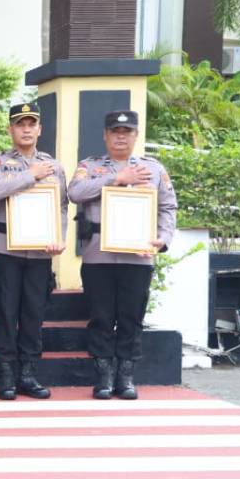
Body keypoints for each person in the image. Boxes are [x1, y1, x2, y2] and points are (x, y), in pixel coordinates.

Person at [68, 110, 177, 400]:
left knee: (131, 317)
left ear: (136, 135)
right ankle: (103, 376)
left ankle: (126, 376)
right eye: (115, 131)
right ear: (105, 135)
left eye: (126, 132)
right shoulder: (90, 166)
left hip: (138, 256)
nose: (120, 137)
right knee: (101, 317)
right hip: (98, 255)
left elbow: (168, 207)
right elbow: (75, 193)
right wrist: (116, 178)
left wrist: (163, 239)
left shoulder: (153, 169)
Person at [0, 102, 68, 400]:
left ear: (40, 129)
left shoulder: (55, 166)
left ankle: (28, 374)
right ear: (11, 129)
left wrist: (60, 237)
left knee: (34, 313)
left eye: (32, 124)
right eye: (21, 124)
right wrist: (31, 174)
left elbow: (62, 206)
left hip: (41, 251)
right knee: (5, 312)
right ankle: (6, 374)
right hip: (7, 250)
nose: (27, 129)